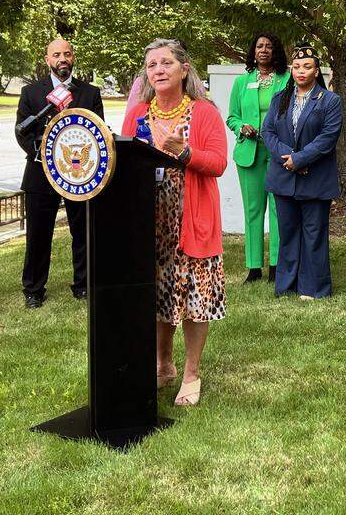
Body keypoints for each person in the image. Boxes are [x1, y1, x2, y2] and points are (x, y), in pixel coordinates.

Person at [121, 39, 227, 406]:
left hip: (192, 219)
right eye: (152, 65)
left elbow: (217, 163)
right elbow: (124, 160)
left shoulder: (205, 112)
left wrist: (181, 151)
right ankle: (162, 364)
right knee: (158, 294)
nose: (159, 70)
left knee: (197, 297)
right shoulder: (136, 113)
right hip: (151, 221)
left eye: (166, 63)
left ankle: (191, 373)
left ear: (184, 69)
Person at [15, 39, 105, 308]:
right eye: (56, 55)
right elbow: (22, 132)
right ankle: (33, 289)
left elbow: (99, 130)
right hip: (40, 173)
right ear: (47, 60)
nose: (62, 58)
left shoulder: (90, 93)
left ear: (73, 57)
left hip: (80, 174)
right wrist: (43, 154)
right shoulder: (31, 92)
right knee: (38, 234)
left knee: (83, 231)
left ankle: (83, 285)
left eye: (66, 54)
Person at [261, 42, 343, 300]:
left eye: (307, 67)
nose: (301, 71)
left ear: (317, 71)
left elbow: (328, 138)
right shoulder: (280, 98)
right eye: (296, 67)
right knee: (287, 233)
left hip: (315, 178)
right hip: (284, 176)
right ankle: (287, 285)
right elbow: (268, 132)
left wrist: (300, 159)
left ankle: (314, 288)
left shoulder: (330, 100)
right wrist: (287, 156)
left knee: (314, 234)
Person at [227, 33, 289, 282]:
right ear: (253, 51)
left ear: (276, 52)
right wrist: (241, 126)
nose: (264, 50)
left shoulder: (286, 80)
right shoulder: (242, 82)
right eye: (259, 46)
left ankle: (276, 264)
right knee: (253, 209)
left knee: (277, 208)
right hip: (249, 153)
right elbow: (232, 117)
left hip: (277, 153)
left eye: (269, 47)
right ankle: (253, 267)